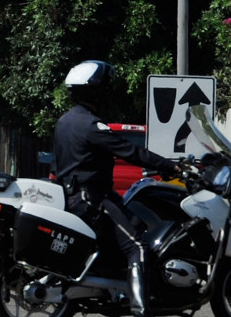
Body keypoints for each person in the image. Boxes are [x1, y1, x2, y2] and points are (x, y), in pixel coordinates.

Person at [53, 60, 179, 317]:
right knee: (138, 246)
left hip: (74, 196)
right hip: (93, 201)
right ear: (95, 91)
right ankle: (141, 309)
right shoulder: (91, 126)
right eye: (105, 88)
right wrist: (171, 166)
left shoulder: (64, 122)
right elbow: (130, 151)